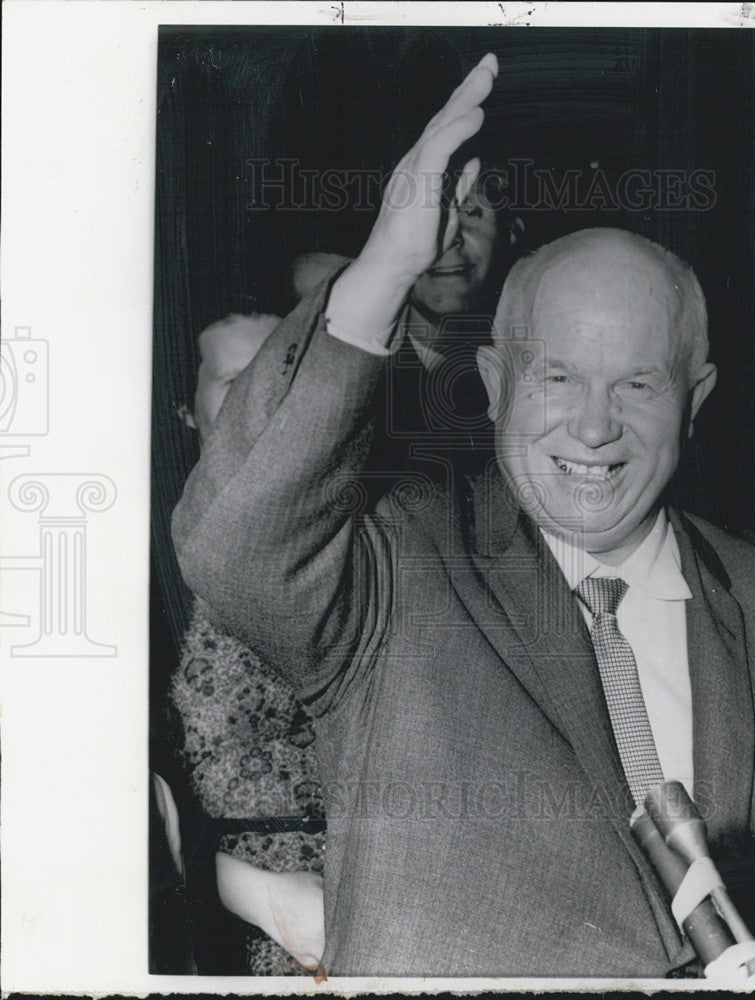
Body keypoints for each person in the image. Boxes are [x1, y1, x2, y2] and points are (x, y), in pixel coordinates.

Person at [173, 54, 755, 977]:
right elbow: (232, 541)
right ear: (495, 387)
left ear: (694, 401)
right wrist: (385, 264)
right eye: (556, 377)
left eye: (637, 382)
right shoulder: (391, 566)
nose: (594, 426)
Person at [166, 165, 522, 975]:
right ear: (186, 407)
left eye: (286, 379)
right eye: (237, 385)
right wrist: (256, 895)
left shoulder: (376, 532)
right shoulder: (154, 570)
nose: (273, 406)